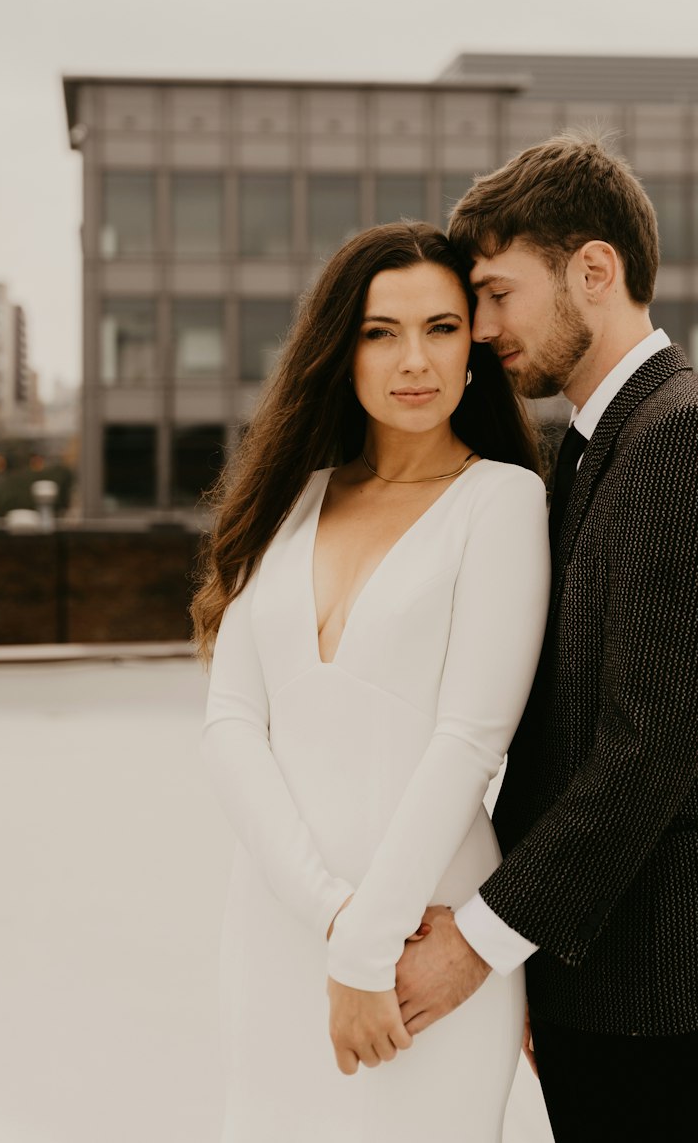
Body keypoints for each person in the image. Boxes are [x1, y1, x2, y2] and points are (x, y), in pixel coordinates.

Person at [394, 133, 698, 1142]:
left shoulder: (683, 439)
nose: (482, 328)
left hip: (658, 977)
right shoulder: (590, 451)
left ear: (593, 268)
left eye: (496, 293)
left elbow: (644, 749)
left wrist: (482, 942)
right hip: (599, 964)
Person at [193, 222, 550, 1142]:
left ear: (474, 345)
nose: (414, 360)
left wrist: (368, 944)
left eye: (441, 327)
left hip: (419, 942)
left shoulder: (503, 501)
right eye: (381, 331)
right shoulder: (288, 498)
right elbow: (232, 723)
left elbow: (471, 740)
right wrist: (328, 917)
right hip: (276, 930)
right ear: (339, 348)